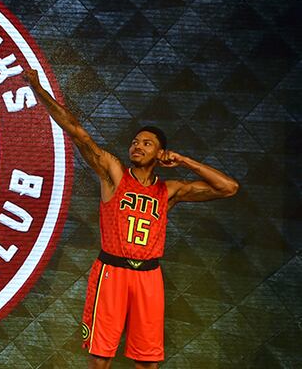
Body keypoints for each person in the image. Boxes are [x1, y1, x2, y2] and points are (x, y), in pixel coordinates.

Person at [22, 69, 239, 368]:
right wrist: (37, 89)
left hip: (149, 276)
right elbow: (77, 132)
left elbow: (228, 188)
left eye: (147, 143)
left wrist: (186, 161)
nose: (138, 145)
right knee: (101, 357)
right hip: (112, 271)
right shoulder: (115, 175)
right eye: (135, 141)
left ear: (161, 153)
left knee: (148, 362)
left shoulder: (169, 191)